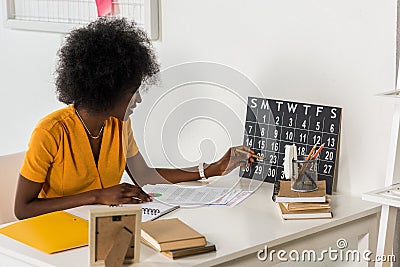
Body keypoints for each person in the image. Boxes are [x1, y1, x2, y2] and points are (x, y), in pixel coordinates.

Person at [14, 17, 255, 220]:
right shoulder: (51, 131)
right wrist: (97, 195)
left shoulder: (120, 126)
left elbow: (145, 176)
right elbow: (22, 209)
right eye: (132, 92)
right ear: (106, 91)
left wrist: (212, 169)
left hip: (103, 228)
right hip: (55, 234)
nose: (138, 99)